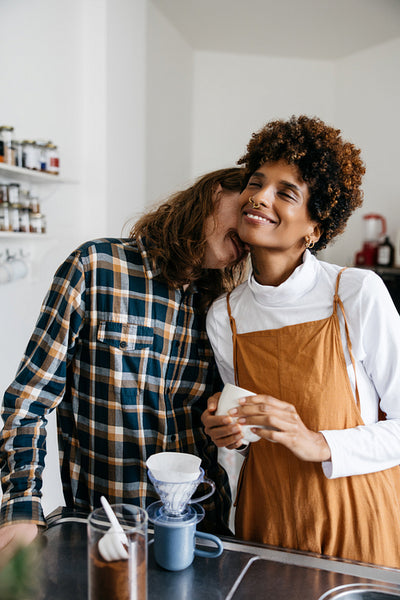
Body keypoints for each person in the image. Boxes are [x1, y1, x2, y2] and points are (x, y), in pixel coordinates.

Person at [0, 167, 248, 562]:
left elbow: (232, 421)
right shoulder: (96, 267)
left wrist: (232, 430)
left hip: (199, 531)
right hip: (107, 530)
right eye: (246, 207)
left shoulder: (226, 307)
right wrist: (21, 504)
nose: (251, 230)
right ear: (215, 192)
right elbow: (29, 399)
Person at [202, 115, 400, 569]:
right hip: (265, 524)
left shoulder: (355, 293)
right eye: (256, 182)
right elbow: (247, 442)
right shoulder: (225, 315)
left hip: (355, 525)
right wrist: (227, 434)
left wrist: (318, 443)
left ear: (314, 228)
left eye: (286, 192)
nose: (259, 197)